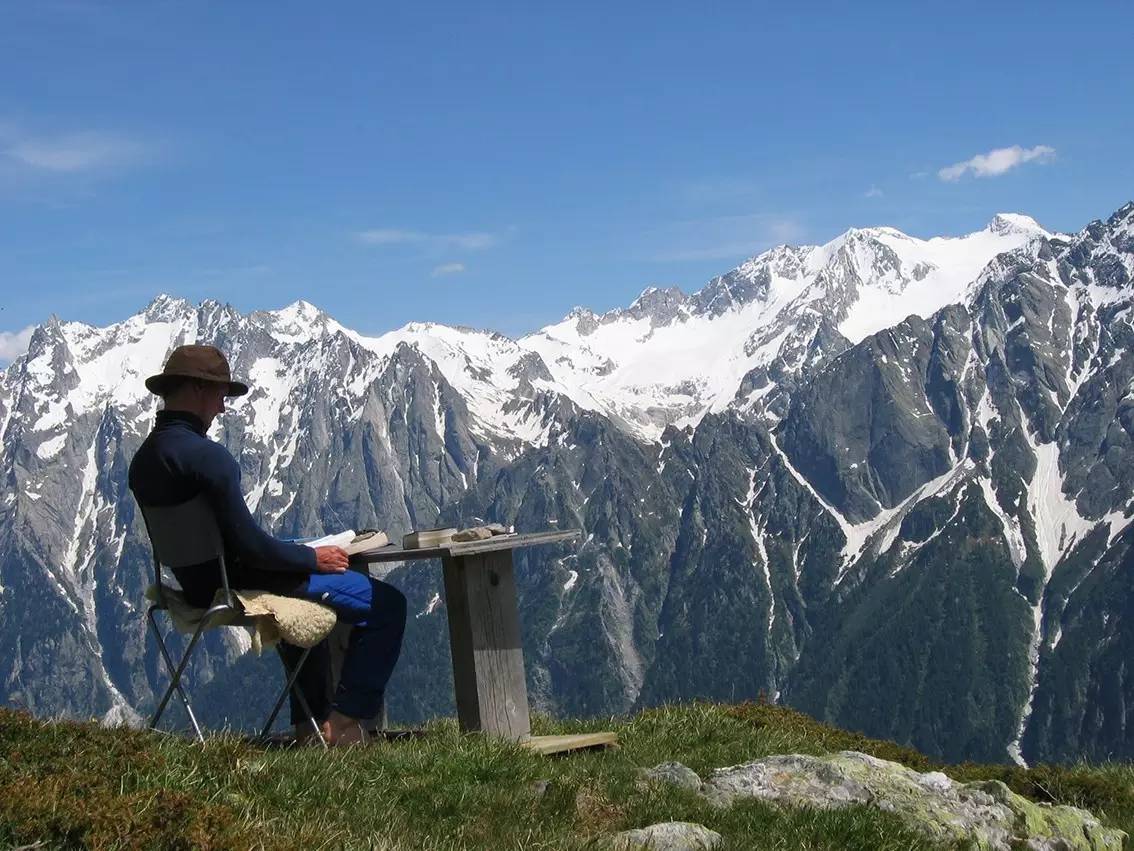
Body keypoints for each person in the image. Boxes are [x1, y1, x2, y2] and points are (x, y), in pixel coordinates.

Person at [128, 343, 406, 745]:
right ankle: (343, 724)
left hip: (196, 584)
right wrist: (311, 557)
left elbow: (235, 543)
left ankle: (306, 728)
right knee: (387, 605)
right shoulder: (208, 458)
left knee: (308, 590)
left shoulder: (144, 461)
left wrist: (298, 552)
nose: (222, 409)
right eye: (220, 396)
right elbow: (252, 549)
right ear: (198, 390)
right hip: (242, 583)